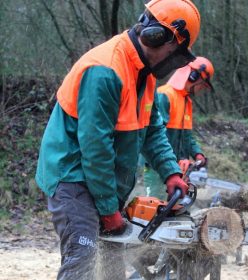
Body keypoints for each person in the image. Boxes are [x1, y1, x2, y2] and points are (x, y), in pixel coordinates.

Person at [35, 0, 201, 279]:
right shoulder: (105, 70)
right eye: (173, 50)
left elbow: (153, 130)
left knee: (112, 265)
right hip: (72, 175)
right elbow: (95, 148)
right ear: (157, 36)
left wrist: (170, 171)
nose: (172, 58)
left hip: (103, 181)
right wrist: (108, 208)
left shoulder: (144, 73)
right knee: (83, 261)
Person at [144, 56, 214, 199]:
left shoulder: (186, 101)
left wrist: (197, 154)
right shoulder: (165, 95)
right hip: (158, 166)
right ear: (193, 76)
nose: (201, 90)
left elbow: (187, 137)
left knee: (175, 208)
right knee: (156, 204)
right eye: (202, 84)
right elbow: (156, 135)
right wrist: (174, 161)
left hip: (175, 168)